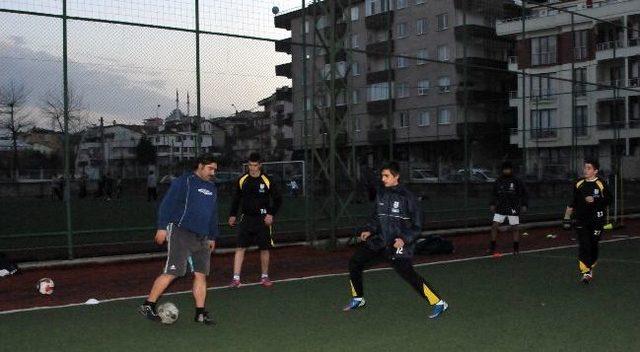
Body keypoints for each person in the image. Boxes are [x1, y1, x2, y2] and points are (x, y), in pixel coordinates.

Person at [343, 161, 448, 319]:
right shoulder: (382, 194)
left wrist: (404, 239)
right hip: (380, 242)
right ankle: (358, 298)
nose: (383, 179)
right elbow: (376, 217)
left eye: (386, 176)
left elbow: (417, 225)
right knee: (355, 262)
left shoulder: (408, 197)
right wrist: (369, 229)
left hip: (397, 245)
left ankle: (439, 303)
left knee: (409, 275)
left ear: (396, 176)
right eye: (382, 176)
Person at [138, 154, 219, 325]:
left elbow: (213, 213)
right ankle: (148, 305)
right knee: (173, 271)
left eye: (215, 169)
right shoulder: (185, 181)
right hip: (181, 232)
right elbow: (167, 204)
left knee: (201, 275)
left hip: (202, 237)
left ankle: (200, 313)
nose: (213, 172)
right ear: (200, 165)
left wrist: (212, 235)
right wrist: (161, 227)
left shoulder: (212, 188)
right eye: (210, 168)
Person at [228, 153, 282, 288]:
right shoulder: (242, 180)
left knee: (264, 248)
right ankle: (236, 279)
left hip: (262, 220)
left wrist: (270, 214)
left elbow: (278, 200)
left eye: (255, 165)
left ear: (260, 165)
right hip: (246, 218)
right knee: (240, 247)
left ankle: (264, 277)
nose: (252, 168)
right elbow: (236, 199)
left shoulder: (267, 180)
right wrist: (232, 214)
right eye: (250, 165)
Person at [563, 158, 611, 284]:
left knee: (593, 245)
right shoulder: (578, 183)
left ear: (595, 171)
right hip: (581, 220)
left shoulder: (601, 184)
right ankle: (586, 272)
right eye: (585, 167)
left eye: (589, 168)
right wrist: (566, 218)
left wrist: (595, 200)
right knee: (584, 245)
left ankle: (590, 266)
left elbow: (609, 200)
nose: (585, 170)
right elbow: (572, 202)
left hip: (597, 220)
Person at [488, 161, 528, 255]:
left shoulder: (517, 181)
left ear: (511, 169)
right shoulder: (499, 180)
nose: (506, 171)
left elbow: (524, 193)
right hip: (501, 207)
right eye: (505, 169)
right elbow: (494, 194)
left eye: (508, 169)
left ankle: (516, 247)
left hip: (513, 207)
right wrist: (492, 204)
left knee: (514, 227)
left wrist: (524, 205)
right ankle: (492, 246)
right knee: (494, 226)